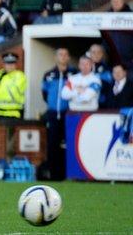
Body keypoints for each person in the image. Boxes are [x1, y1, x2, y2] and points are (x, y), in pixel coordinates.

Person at [41, 48, 77, 180]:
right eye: (60, 54)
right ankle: (54, 176)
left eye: (65, 55)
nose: (63, 57)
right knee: (52, 144)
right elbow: (44, 94)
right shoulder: (48, 74)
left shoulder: (74, 74)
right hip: (52, 113)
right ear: (56, 57)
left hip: (69, 114)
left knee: (69, 144)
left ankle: (69, 175)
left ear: (68, 58)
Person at [0, 53, 27, 118]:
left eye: (12, 63)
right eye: (8, 63)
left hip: (14, 113)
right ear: (4, 64)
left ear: (16, 65)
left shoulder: (20, 76)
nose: (10, 66)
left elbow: (13, 91)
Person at [87, 44, 113, 109]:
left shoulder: (108, 69)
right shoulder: (83, 68)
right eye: (93, 52)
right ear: (89, 54)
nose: (96, 54)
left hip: (102, 106)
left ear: (102, 54)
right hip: (85, 105)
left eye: (99, 52)